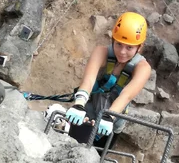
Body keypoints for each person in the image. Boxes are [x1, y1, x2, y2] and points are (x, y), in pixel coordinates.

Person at [65, 12, 152, 147]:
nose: (122, 52)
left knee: (97, 156)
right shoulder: (102, 52)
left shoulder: (142, 68)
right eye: (119, 44)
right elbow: (88, 80)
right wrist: (79, 103)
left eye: (129, 47)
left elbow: (126, 95)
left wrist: (108, 116)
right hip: (88, 113)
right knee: (71, 147)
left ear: (139, 47)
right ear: (113, 41)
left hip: (111, 121)